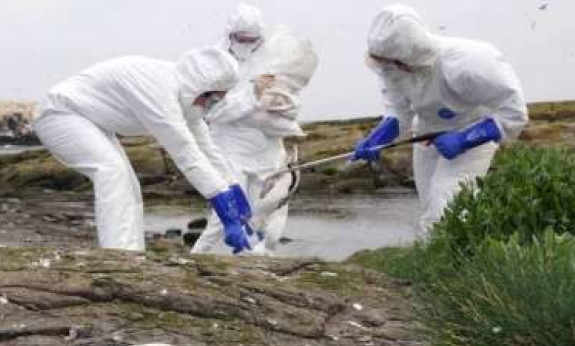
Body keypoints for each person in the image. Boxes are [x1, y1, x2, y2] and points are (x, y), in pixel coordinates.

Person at [33, 47, 253, 253]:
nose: (210, 104)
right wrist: (224, 208)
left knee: (130, 184)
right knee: (112, 171)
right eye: (211, 97)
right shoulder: (159, 90)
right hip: (59, 114)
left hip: (91, 121)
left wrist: (234, 190)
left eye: (218, 99)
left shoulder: (185, 100)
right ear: (198, 85)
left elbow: (208, 150)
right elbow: (186, 153)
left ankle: (132, 254)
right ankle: (117, 257)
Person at [352, 4, 529, 238]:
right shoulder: (391, 67)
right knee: (429, 203)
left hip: (473, 131)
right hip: (427, 133)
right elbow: (398, 109)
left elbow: (514, 114)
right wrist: (379, 137)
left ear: (407, 56)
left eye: (387, 62)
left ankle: (449, 265)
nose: (383, 68)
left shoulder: (471, 63)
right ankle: (444, 259)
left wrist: (464, 140)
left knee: (446, 205)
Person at [191, 5, 318, 255]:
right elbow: (214, 112)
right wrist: (252, 93)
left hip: (267, 149)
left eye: (253, 40)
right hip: (228, 147)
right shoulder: (213, 61)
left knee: (263, 213)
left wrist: (281, 104)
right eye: (242, 39)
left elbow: (291, 100)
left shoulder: (272, 56)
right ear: (231, 34)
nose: (247, 45)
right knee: (226, 211)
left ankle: (253, 262)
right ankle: (195, 259)